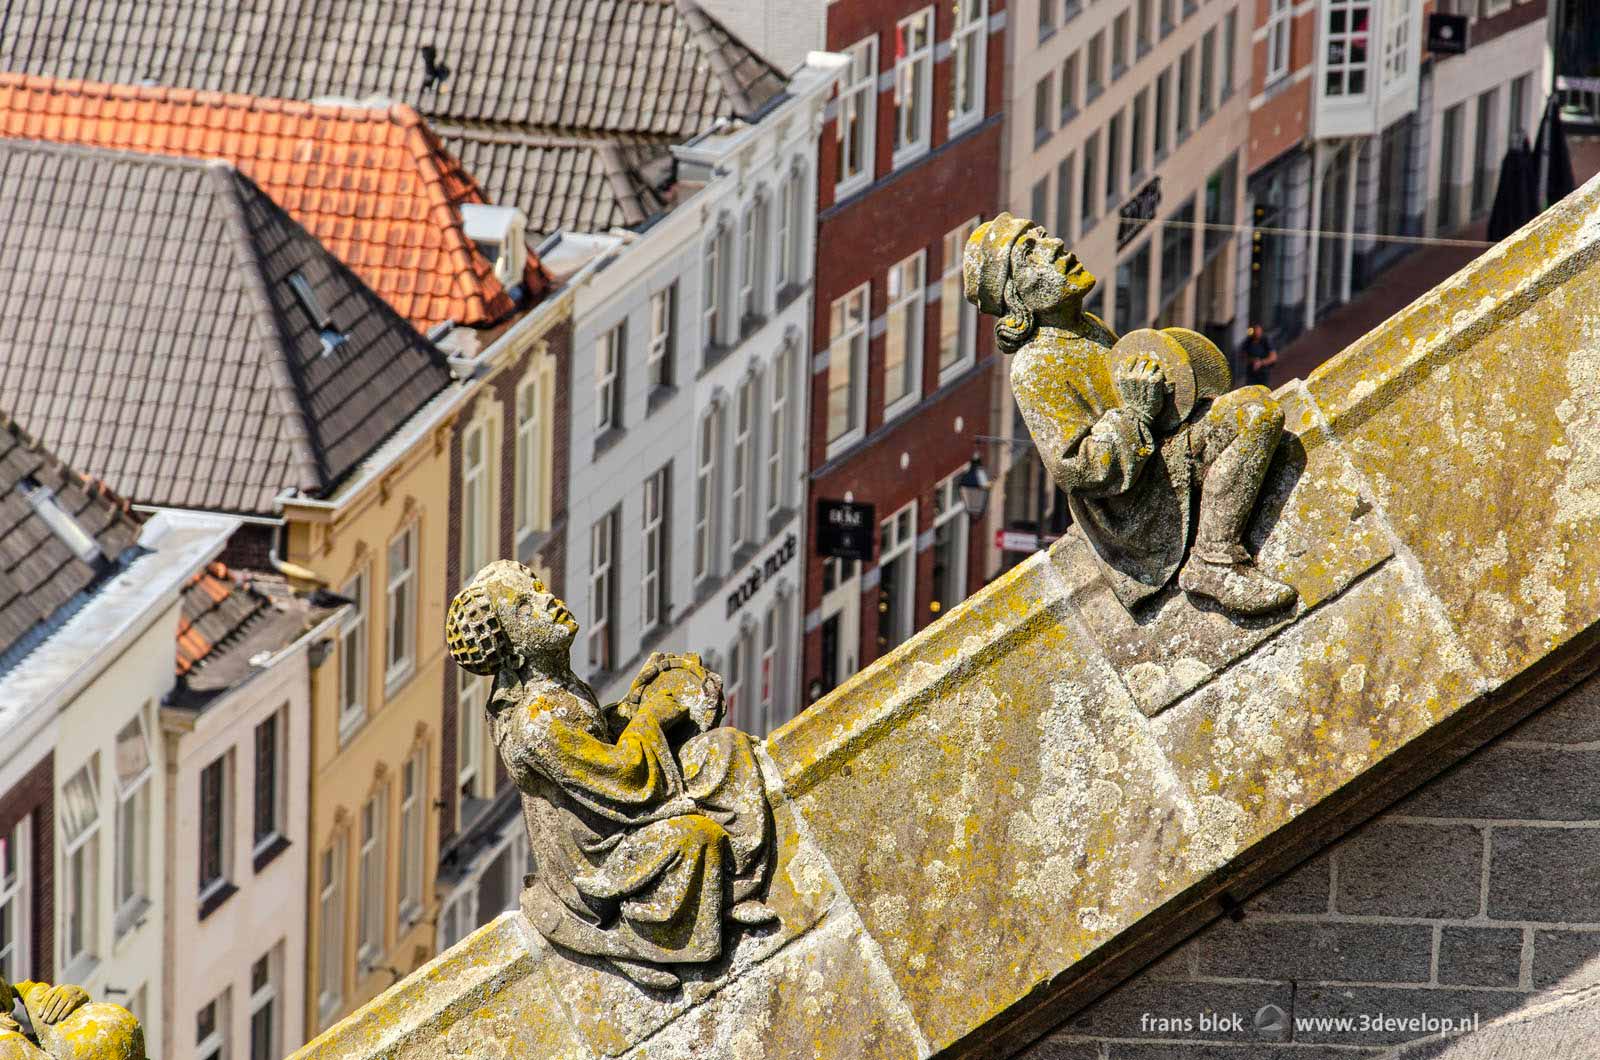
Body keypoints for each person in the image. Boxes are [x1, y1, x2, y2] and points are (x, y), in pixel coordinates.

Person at [445, 561, 776, 990]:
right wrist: (654, 714)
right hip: (599, 856)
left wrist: (635, 704)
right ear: (516, 652)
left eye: (540, 589)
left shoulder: (556, 685)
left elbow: (598, 745)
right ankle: (670, 932)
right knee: (697, 838)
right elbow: (626, 778)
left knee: (723, 751)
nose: (549, 603)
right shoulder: (536, 722)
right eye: (527, 608)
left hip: (609, 811)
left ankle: (738, 887)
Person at [962, 212, 1297, 616]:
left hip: (1155, 456)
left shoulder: (1088, 327)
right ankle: (1214, 559)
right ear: (1018, 301)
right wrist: (1137, 413)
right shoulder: (1036, 367)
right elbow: (1076, 469)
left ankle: (1214, 550)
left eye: (1045, 236)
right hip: (1134, 505)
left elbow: (1129, 393)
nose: (1055, 247)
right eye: (1032, 253)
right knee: (1254, 415)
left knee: (1254, 407)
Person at [1239, 324, 1278, 388]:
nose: (1257, 333)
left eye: (1258, 331)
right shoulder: (1248, 341)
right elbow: (1243, 355)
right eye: (1256, 331)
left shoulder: (1266, 340)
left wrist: (1261, 362)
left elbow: (1273, 357)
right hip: (1251, 373)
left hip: (1263, 373)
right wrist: (1252, 361)